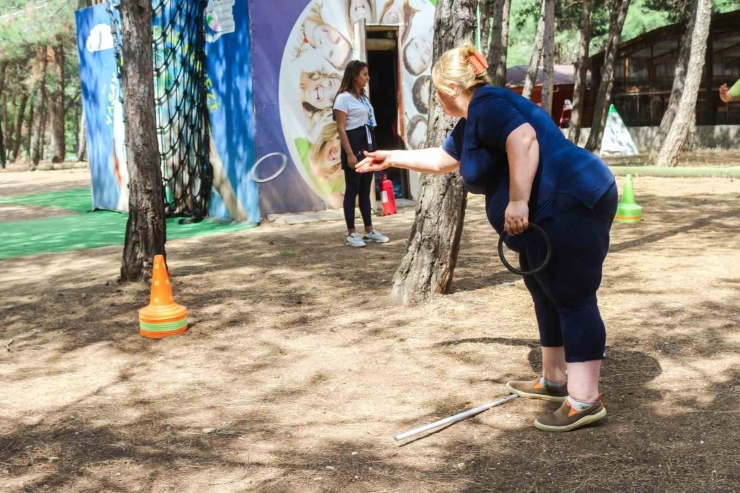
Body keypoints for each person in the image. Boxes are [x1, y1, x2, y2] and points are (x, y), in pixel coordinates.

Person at [357, 44, 617, 432]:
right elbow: (444, 160)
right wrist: (391, 158)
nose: (437, 99)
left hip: (572, 199)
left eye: (436, 92)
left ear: (448, 88)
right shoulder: (473, 120)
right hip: (550, 210)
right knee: (542, 288)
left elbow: (524, 139)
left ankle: (585, 401)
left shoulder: (489, 104)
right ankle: (554, 380)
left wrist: (516, 201)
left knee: (572, 295)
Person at [333, 60, 390, 248]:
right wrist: (349, 154)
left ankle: (369, 230)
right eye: (364, 74)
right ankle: (351, 233)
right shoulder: (343, 98)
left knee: (366, 189)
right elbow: (341, 129)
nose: (368, 77)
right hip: (353, 143)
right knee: (352, 189)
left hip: (367, 142)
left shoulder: (362, 98)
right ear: (354, 76)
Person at [302, 5, 353, 71]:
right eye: (337, 40)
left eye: (330, 53)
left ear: (324, 57)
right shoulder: (318, 5)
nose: (328, 40)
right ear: (337, 30)